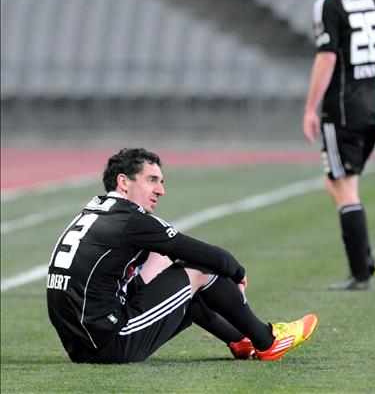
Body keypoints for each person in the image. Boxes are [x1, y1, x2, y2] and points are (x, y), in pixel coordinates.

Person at [47, 147, 318, 363]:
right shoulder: (131, 220)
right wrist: (238, 272)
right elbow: (213, 258)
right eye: (152, 180)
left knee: (164, 261)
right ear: (124, 182)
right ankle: (268, 341)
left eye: (161, 182)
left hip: (81, 345)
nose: (160, 190)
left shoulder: (95, 210)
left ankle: (240, 340)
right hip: (111, 343)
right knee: (200, 270)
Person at [302, 0, 375, 291]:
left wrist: (310, 108)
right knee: (340, 184)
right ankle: (365, 258)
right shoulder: (371, 0)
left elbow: (327, 58)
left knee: (343, 189)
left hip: (342, 109)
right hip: (372, 106)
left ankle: (360, 273)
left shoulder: (327, 4)